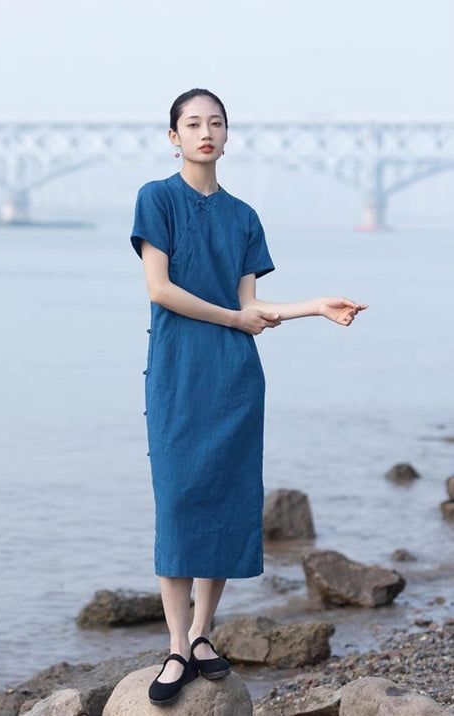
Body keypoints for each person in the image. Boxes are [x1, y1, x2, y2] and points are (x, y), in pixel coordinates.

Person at [130, 88, 367, 707]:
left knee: (227, 501)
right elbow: (160, 290)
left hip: (235, 378)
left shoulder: (243, 215)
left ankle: (205, 636)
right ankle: (176, 645)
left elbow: (249, 306)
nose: (204, 132)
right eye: (191, 123)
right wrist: (235, 323)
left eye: (216, 123)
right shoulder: (156, 199)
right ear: (173, 137)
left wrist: (316, 306)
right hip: (180, 372)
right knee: (179, 501)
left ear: (228, 137)